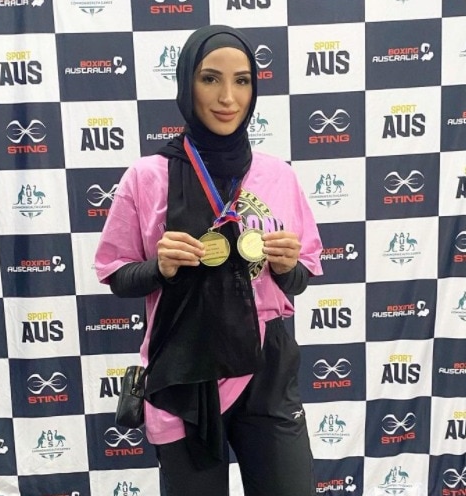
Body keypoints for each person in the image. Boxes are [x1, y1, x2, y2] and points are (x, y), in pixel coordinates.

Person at [95, 25, 323, 496]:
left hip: (267, 362)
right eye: (210, 79)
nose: (227, 97)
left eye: (242, 81)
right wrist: (159, 266)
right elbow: (118, 275)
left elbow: (298, 281)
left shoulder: (278, 175)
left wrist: (286, 267)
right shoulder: (147, 176)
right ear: (186, 83)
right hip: (187, 365)